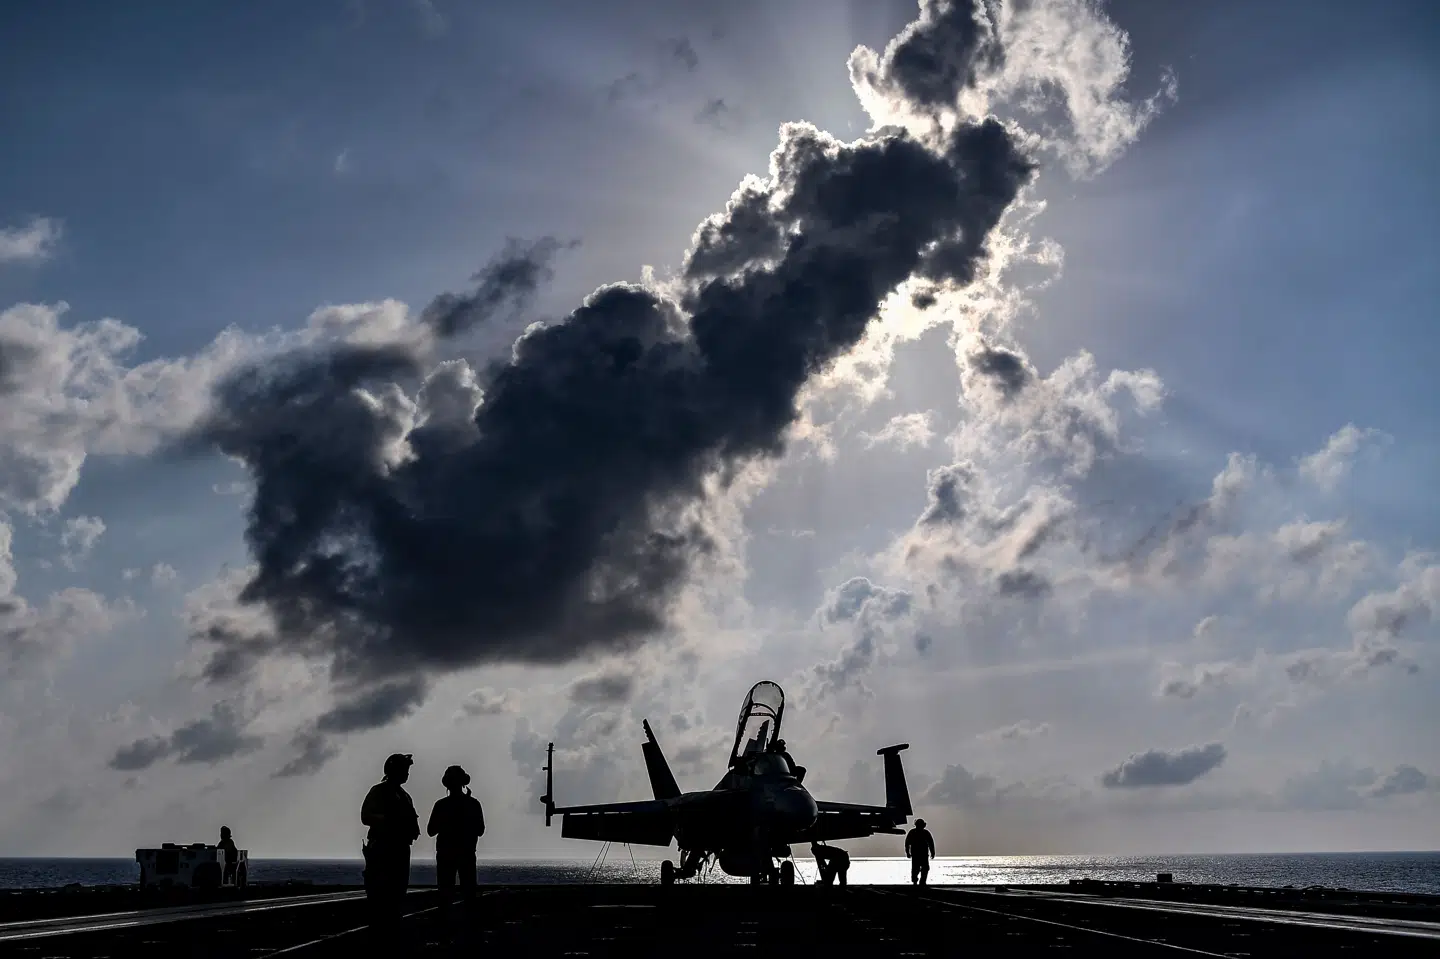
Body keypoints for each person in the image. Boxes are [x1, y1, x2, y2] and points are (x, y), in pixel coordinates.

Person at [361, 753, 420, 921]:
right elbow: (366, 816)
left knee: (397, 896)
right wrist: (390, 821)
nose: (407, 774)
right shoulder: (379, 791)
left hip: (400, 850)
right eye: (404, 770)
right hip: (382, 849)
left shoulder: (405, 796)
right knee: (379, 896)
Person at [427, 765, 486, 914]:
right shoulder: (473, 804)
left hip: (446, 854)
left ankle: (446, 923)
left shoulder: (441, 805)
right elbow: (480, 830)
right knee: (469, 892)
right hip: (466, 853)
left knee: (445, 893)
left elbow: (430, 831)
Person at [905, 818, 935, 886]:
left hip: (922, 854)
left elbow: (931, 843)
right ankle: (916, 881)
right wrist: (907, 852)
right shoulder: (913, 832)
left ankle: (921, 882)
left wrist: (932, 852)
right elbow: (907, 843)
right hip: (917, 854)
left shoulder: (924, 833)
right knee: (916, 869)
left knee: (924, 868)